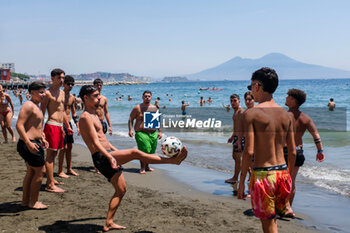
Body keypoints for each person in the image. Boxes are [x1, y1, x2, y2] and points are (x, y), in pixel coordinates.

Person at [78, 85, 187, 231]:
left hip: (108, 153)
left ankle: (108, 222)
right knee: (136, 153)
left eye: (99, 95)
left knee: (121, 190)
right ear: (86, 98)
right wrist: (110, 157)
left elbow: (103, 139)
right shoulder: (85, 117)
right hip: (102, 156)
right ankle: (173, 161)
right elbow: (96, 143)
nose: (99, 98)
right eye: (96, 95)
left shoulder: (94, 114)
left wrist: (115, 151)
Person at [237, 67, 296, 233]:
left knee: (268, 224)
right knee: (273, 220)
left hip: (264, 175)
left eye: (251, 88)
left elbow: (248, 152)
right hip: (283, 174)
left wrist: (242, 182)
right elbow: (292, 152)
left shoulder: (251, 114)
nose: (251, 93)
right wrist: (288, 177)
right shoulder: (286, 115)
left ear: (256, 86)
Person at [284, 88, 325, 217]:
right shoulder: (306, 118)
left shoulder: (283, 116)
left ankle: (281, 207)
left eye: (288, 97)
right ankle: (288, 207)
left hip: (284, 152)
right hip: (298, 151)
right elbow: (316, 135)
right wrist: (320, 150)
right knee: (291, 181)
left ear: (293, 100)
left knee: (281, 180)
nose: (286, 98)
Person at [16, 81, 49, 209]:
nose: (44, 94)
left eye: (44, 91)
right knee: (40, 173)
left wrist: (42, 137)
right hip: (29, 144)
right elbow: (19, 125)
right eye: (41, 92)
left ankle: (25, 201)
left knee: (31, 172)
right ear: (31, 93)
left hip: (33, 142)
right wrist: (28, 142)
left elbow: (35, 126)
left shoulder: (37, 106)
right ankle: (33, 202)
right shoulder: (29, 105)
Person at [41, 68, 73, 193]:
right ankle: (49, 184)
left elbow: (62, 111)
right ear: (52, 78)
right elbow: (41, 112)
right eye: (59, 78)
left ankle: (51, 179)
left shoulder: (62, 93)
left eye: (63, 78)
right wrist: (41, 131)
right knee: (50, 155)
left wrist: (67, 126)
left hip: (60, 126)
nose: (61, 80)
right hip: (51, 125)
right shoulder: (48, 94)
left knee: (54, 154)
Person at [128, 91, 162, 174]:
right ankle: (142, 167)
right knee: (144, 150)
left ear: (151, 97)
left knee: (150, 151)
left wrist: (160, 131)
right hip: (141, 133)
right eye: (145, 96)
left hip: (153, 133)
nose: (147, 98)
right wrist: (130, 130)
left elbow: (158, 120)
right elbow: (130, 119)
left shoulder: (154, 108)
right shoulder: (137, 108)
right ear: (142, 97)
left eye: (149, 96)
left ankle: (147, 166)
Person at [57, 75, 80, 178]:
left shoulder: (72, 97)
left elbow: (74, 113)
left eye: (72, 84)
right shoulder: (59, 95)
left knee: (69, 147)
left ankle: (69, 169)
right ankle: (60, 170)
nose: (70, 86)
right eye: (68, 84)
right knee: (63, 147)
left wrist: (77, 125)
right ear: (64, 84)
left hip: (69, 124)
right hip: (60, 123)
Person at [225, 94, 244, 186]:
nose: (232, 103)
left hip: (240, 137)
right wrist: (232, 136)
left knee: (237, 159)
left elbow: (243, 128)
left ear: (239, 101)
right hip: (236, 137)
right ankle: (250, 172)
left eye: (235, 101)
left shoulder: (241, 112)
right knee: (235, 157)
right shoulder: (235, 111)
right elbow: (236, 127)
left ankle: (235, 178)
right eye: (231, 101)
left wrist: (239, 140)